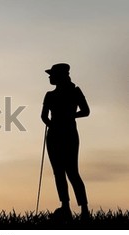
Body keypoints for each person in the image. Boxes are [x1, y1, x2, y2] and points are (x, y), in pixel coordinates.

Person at [41, 63, 90, 220]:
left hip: (66, 133)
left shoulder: (74, 92)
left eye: (52, 74)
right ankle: (66, 207)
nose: (49, 77)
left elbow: (86, 111)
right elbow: (43, 116)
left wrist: (66, 118)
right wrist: (54, 124)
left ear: (59, 76)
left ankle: (84, 210)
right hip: (57, 134)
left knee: (71, 171)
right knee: (59, 172)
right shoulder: (49, 95)